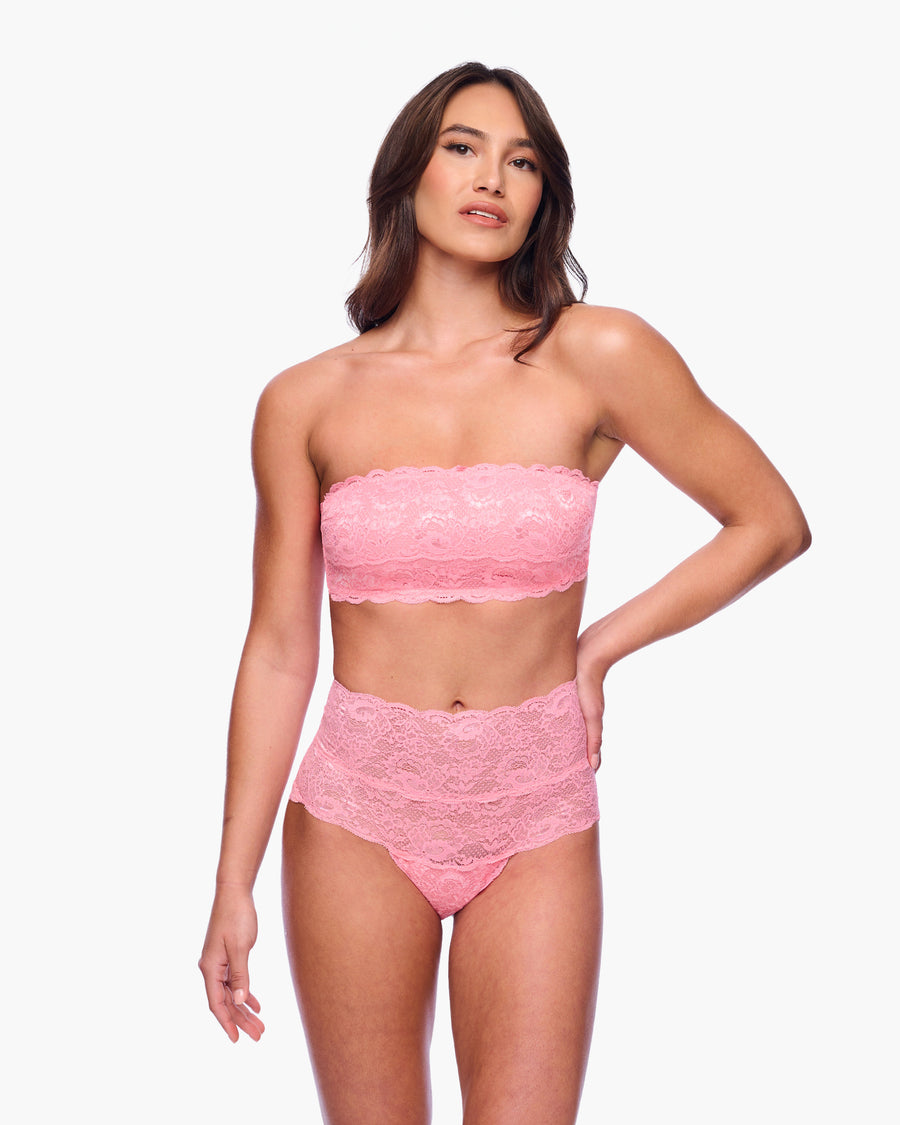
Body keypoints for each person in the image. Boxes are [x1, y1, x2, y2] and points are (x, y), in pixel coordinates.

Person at [198, 61, 811, 1124]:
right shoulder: (304, 401)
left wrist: (598, 647)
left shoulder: (596, 353)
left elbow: (770, 521)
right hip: (354, 811)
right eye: (462, 147)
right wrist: (230, 882)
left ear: (543, 197)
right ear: (407, 176)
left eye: (522, 161)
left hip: (536, 805)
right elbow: (281, 648)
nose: (492, 177)